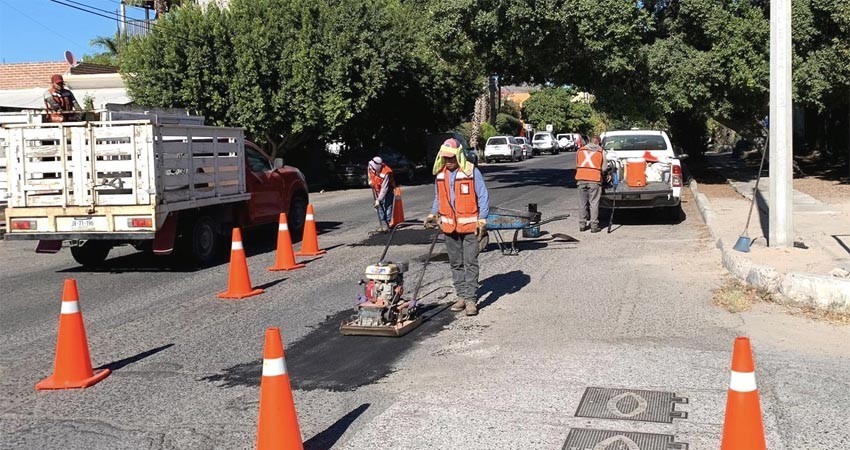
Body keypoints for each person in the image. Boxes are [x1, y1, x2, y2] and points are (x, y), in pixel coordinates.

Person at [425, 138, 490, 316]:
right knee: (456, 263)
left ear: (458, 156)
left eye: (451, 158)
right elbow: (438, 198)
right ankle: (461, 295)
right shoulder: (440, 174)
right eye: (445, 158)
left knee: (470, 262)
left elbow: (483, 196)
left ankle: (470, 299)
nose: (449, 162)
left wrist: (482, 220)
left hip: (470, 227)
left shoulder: (471, 172)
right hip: (449, 227)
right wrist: (433, 214)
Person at [575, 135, 608, 233]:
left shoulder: (580, 150)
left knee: (582, 203)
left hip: (581, 179)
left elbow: (577, 165)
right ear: (598, 142)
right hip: (594, 180)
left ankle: (582, 225)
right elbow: (604, 168)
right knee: (594, 203)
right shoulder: (601, 151)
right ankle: (594, 226)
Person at [367, 156, 395, 231]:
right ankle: (383, 224)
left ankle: (388, 223)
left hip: (388, 189)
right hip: (377, 188)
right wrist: (369, 180)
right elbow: (369, 172)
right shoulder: (370, 165)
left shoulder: (386, 172)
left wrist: (378, 199)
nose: (372, 167)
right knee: (379, 206)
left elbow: (384, 188)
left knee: (388, 206)